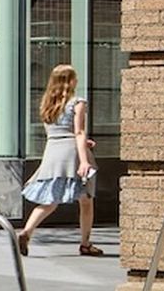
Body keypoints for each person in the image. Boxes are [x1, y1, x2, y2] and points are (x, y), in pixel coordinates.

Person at [17, 63, 102, 257]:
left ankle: (27, 232)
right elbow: (78, 133)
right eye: (75, 77)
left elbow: (58, 133)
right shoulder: (78, 103)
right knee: (86, 200)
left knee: (50, 199)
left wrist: (79, 141)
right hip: (72, 154)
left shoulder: (47, 105)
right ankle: (85, 243)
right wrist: (84, 161)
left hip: (52, 152)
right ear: (70, 81)